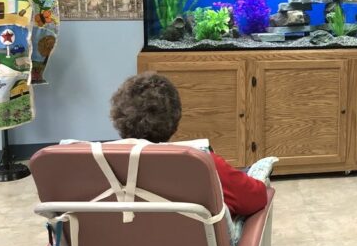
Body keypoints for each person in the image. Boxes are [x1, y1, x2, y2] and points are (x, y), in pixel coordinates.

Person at [109, 72, 268, 218]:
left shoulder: (94, 164)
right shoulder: (203, 164)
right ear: (176, 119)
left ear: (117, 116)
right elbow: (257, 197)